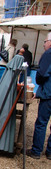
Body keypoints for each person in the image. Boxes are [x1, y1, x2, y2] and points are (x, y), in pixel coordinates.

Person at [26, 32, 51, 160]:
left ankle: (36, 151)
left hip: (49, 93)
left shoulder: (48, 54)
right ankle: (50, 152)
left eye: (45, 41)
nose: (44, 44)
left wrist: (40, 85)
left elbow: (42, 74)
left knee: (41, 122)